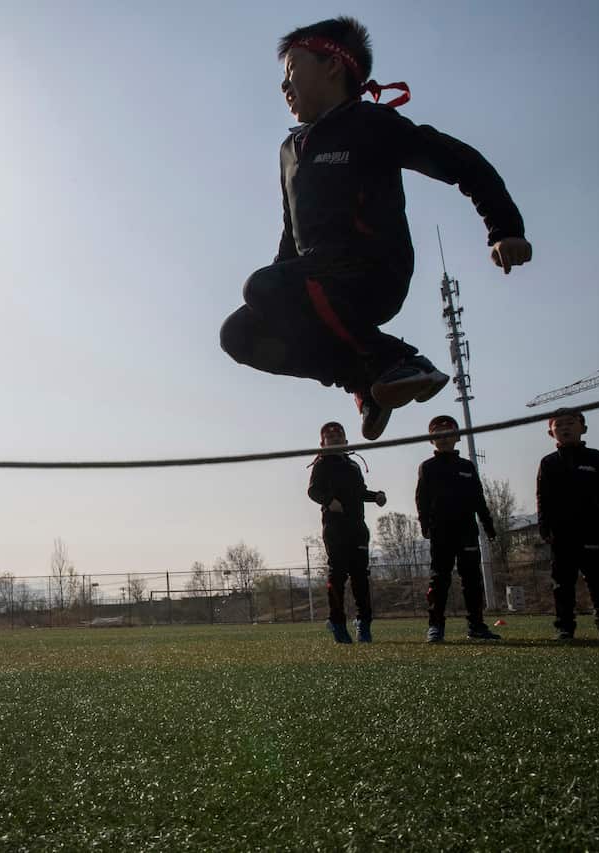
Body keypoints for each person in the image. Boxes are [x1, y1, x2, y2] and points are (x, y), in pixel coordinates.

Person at [219, 16, 532, 440]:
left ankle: (401, 360)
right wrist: (277, 291)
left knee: (262, 286)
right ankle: (362, 381)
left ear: (332, 66)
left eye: (292, 71)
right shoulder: (290, 150)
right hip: (316, 279)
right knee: (239, 331)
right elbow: (290, 233)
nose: (284, 86)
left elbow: (461, 161)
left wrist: (504, 227)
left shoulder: (369, 123)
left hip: (372, 271)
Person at [536, 408, 599, 640]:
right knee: (562, 584)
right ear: (551, 433)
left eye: (570, 423)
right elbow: (542, 498)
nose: (565, 428)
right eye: (559, 425)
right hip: (561, 535)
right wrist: (543, 526)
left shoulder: (596, 458)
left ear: (583, 427)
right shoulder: (548, 463)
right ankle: (564, 627)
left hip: (592, 531)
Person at [415, 415, 500, 643]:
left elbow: (478, 498)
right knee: (439, 580)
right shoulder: (428, 467)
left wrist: (488, 525)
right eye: (437, 434)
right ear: (431, 439)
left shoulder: (467, 466)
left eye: (447, 432)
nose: (443, 437)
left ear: (457, 437)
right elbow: (421, 499)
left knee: (472, 580)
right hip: (441, 532)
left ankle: (477, 626)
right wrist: (426, 525)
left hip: (467, 531)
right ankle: (435, 627)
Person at [308, 421, 385, 643]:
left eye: (338, 438)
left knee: (360, 576)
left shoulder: (353, 466)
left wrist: (375, 497)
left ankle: (364, 623)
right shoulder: (321, 465)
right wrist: (329, 501)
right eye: (330, 438)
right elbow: (313, 490)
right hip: (335, 528)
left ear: (346, 442)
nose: (334, 440)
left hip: (357, 527)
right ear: (322, 443)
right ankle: (338, 623)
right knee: (338, 574)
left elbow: (359, 492)